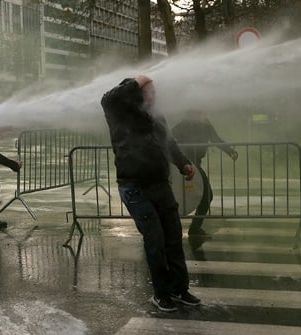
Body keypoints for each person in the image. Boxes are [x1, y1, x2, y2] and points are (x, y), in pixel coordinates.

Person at [101, 74, 201, 312]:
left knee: (174, 237)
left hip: (160, 185)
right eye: (148, 92)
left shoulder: (156, 116)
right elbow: (108, 98)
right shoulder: (119, 112)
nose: (154, 96)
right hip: (135, 187)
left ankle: (179, 289)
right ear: (135, 93)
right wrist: (137, 80)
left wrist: (183, 163)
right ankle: (161, 293)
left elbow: (169, 142)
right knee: (155, 240)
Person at [171, 110, 238, 237]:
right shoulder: (183, 125)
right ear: (193, 115)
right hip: (186, 164)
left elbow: (215, 139)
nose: (204, 117)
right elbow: (169, 140)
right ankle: (191, 228)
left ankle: (193, 227)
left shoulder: (205, 125)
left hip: (192, 164)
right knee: (206, 195)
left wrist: (230, 151)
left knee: (203, 196)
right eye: (201, 114)